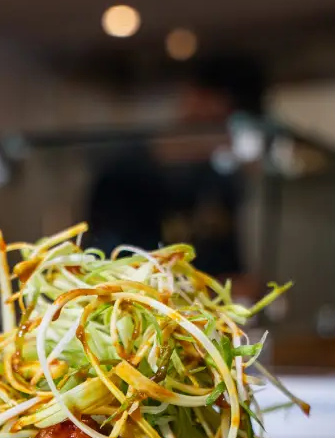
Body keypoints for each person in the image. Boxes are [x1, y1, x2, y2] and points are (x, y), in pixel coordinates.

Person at [88, 59, 263, 295]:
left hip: (207, 322)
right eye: (224, 121)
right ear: (196, 99)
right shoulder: (123, 173)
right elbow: (108, 269)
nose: (228, 137)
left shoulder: (222, 182)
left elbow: (233, 271)